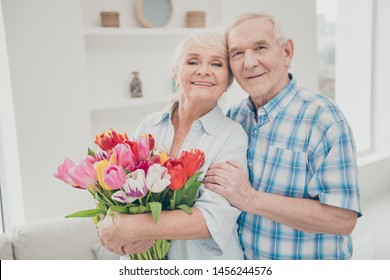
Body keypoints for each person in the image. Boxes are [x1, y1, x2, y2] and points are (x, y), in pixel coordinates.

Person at [204, 12, 362, 260]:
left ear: (287, 52)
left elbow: (342, 219)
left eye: (260, 47)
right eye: (237, 53)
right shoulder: (235, 117)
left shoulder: (323, 119)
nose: (249, 62)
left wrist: (250, 198)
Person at [98, 31, 248, 259]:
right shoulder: (149, 124)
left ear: (227, 81)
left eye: (216, 64)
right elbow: (122, 189)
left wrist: (130, 227)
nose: (203, 70)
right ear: (175, 73)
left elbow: (211, 219)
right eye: (192, 61)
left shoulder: (231, 135)